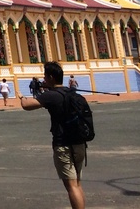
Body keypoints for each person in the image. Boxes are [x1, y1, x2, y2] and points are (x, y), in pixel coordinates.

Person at [20, 61, 88, 209]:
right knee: (77, 183)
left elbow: (26, 105)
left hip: (63, 144)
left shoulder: (51, 95)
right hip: (79, 142)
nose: (44, 79)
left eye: (45, 76)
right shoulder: (72, 93)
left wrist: (21, 97)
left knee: (71, 186)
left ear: (51, 77)